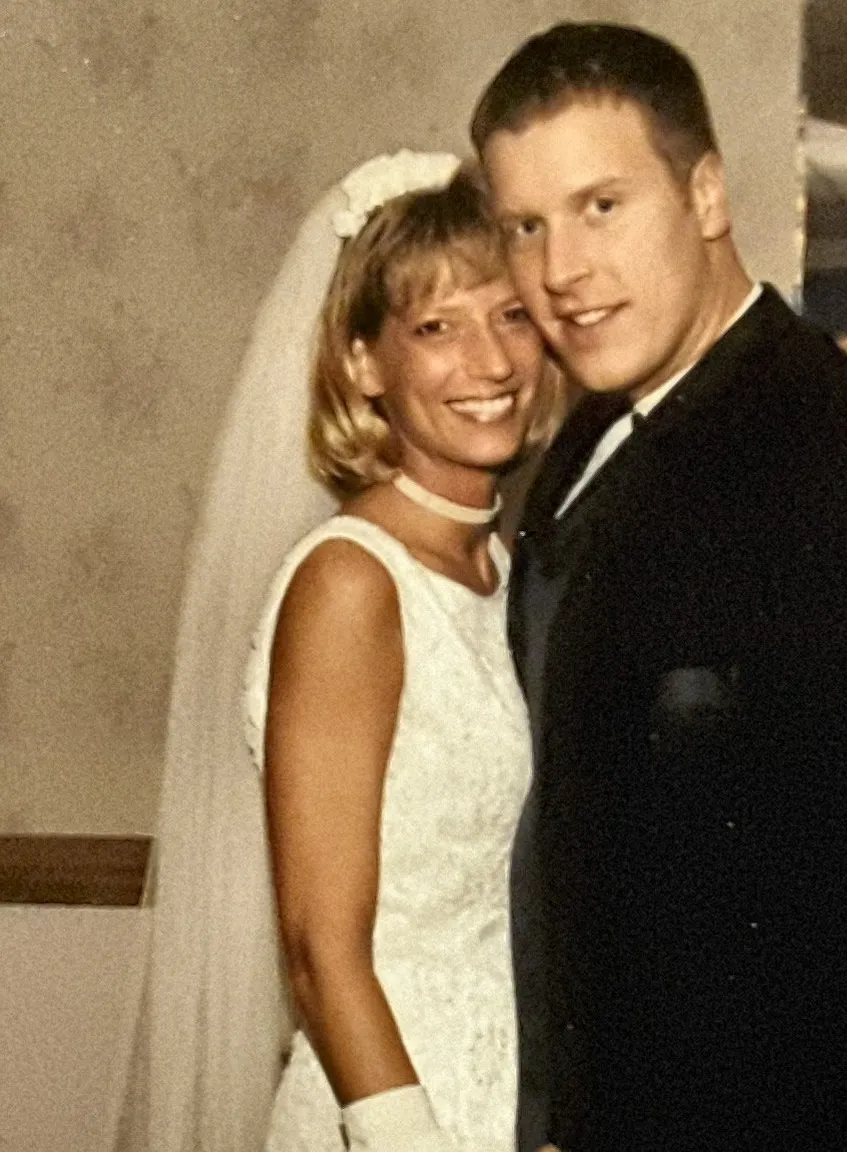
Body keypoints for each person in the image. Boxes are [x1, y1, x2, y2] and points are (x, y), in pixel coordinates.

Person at [471, 23, 847, 1152]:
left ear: (704, 193)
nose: (559, 271)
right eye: (525, 226)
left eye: (601, 205)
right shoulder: (575, 447)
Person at [129, 152, 556, 1152]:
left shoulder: (500, 571)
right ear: (363, 363)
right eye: (435, 329)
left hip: (505, 1099)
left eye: (510, 317)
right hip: (392, 1112)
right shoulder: (350, 585)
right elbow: (321, 951)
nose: (489, 364)